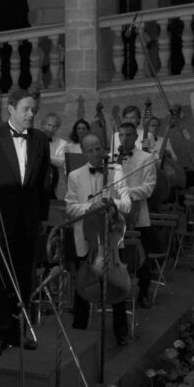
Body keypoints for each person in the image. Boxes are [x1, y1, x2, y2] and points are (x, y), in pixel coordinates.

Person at [0, 85, 51, 359]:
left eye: (34, 110)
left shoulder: (40, 140)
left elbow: (43, 184)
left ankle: (19, 331)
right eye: (26, 109)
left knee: (24, 278)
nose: (31, 115)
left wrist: (42, 217)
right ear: (11, 109)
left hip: (28, 221)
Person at [65, 132, 132, 345]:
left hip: (112, 238)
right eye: (91, 149)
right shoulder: (75, 176)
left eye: (98, 148)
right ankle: (79, 330)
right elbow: (71, 207)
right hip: (88, 238)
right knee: (84, 284)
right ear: (84, 152)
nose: (96, 153)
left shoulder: (116, 170)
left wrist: (110, 202)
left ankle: (121, 332)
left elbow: (127, 205)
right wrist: (89, 207)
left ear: (103, 149)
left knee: (116, 285)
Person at [114, 120, 157, 309]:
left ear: (136, 136)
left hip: (138, 214)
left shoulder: (146, 158)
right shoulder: (113, 157)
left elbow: (149, 187)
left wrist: (127, 193)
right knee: (117, 254)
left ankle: (144, 292)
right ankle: (117, 292)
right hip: (117, 215)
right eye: (121, 135)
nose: (124, 138)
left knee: (143, 257)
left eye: (128, 135)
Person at [40, 110, 67, 200]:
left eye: (55, 126)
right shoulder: (34, 141)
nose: (51, 129)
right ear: (43, 125)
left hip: (54, 187)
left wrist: (44, 154)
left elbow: (62, 162)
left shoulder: (62, 143)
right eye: (49, 125)